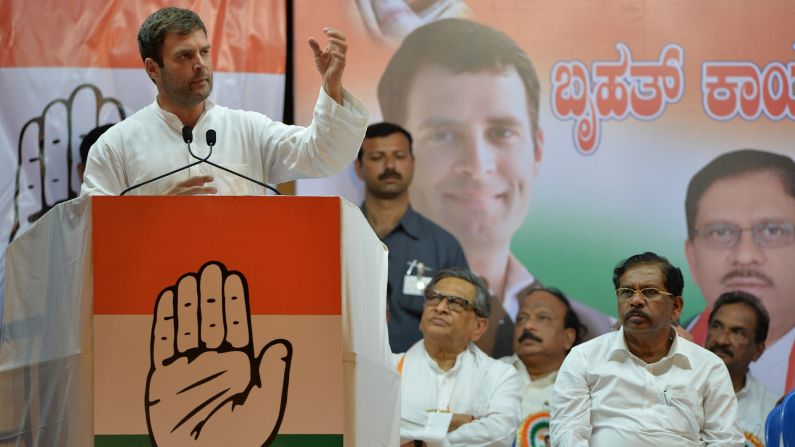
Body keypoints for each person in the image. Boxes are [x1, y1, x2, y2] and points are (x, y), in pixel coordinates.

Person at [378, 18, 613, 357]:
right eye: (443, 136)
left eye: (502, 133)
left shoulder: (594, 340)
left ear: (537, 151)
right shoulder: (357, 316)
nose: (477, 166)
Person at [81, 7, 368, 196]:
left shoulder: (248, 130)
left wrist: (331, 86)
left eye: (204, 52)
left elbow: (323, 156)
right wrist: (155, 214)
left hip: (239, 282)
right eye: (184, 56)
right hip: (155, 286)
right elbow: (93, 228)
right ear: (153, 68)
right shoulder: (115, 146)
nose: (200, 64)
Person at [550, 252, 743, 446]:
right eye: (626, 292)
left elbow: (726, 441)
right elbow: (567, 433)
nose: (635, 301)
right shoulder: (584, 358)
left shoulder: (708, 367)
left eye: (650, 292)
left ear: (676, 306)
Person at [684, 149, 795, 396]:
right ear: (692, 257)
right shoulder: (666, 355)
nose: (745, 256)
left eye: (772, 231)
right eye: (720, 232)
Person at [356, 122, 468, 352]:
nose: (389, 165)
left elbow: (462, 322)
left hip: (422, 379)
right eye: (377, 157)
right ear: (359, 167)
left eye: (399, 156)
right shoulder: (336, 236)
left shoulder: (442, 246)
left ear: (412, 163)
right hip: (345, 371)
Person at [395, 267, 521, 446]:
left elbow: (499, 436)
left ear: (479, 326)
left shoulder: (500, 375)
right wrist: (451, 422)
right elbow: (376, 423)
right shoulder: (390, 366)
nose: (440, 308)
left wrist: (419, 441)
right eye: (434, 298)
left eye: (456, 303)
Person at [501, 286, 584, 447]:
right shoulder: (491, 372)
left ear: (568, 337)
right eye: (521, 318)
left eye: (543, 318)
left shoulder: (583, 390)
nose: (528, 326)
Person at [705, 291, 779, 445]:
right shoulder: (673, 389)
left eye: (738, 332)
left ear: (758, 351)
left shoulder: (773, 412)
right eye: (717, 326)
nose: (721, 340)